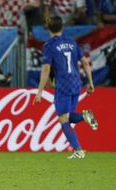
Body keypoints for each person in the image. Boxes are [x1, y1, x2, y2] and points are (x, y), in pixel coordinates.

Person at [33, 16, 98, 159]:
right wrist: (91, 82)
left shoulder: (49, 46)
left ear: (48, 28)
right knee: (68, 116)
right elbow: (86, 63)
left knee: (63, 118)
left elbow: (45, 69)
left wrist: (39, 91)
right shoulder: (72, 42)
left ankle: (78, 151)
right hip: (76, 82)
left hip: (63, 84)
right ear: (62, 27)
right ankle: (84, 117)